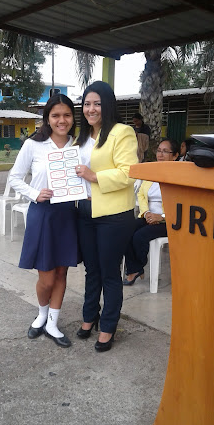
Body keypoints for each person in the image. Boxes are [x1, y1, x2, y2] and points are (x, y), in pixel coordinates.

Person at [9, 94, 79, 348]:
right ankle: (41, 314)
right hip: (43, 213)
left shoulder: (79, 145)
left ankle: (53, 322)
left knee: (62, 271)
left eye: (67, 115)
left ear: (73, 117)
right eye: (56, 115)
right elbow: (14, 177)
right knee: (46, 277)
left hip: (68, 214)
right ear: (48, 118)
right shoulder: (34, 145)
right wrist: (34, 193)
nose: (62, 120)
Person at [74, 81, 138, 352]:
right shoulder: (82, 136)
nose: (91, 109)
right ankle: (90, 316)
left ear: (108, 105)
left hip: (113, 214)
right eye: (87, 104)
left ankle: (109, 325)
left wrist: (94, 176)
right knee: (92, 270)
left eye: (97, 103)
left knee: (110, 272)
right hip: (84, 210)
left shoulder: (122, 132)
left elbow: (128, 172)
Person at [123, 139, 179, 286]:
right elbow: (141, 193)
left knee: (140, 236)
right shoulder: (153, 172)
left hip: (170, 220)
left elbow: (181, 203)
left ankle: (136, 268)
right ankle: (135, 268)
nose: (160, 154)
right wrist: (147, 212)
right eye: (159, 150)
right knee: (126, 229)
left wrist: (161, 217)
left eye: (165, 151)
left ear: (175, 156)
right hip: (148, 216)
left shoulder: (179, 178)